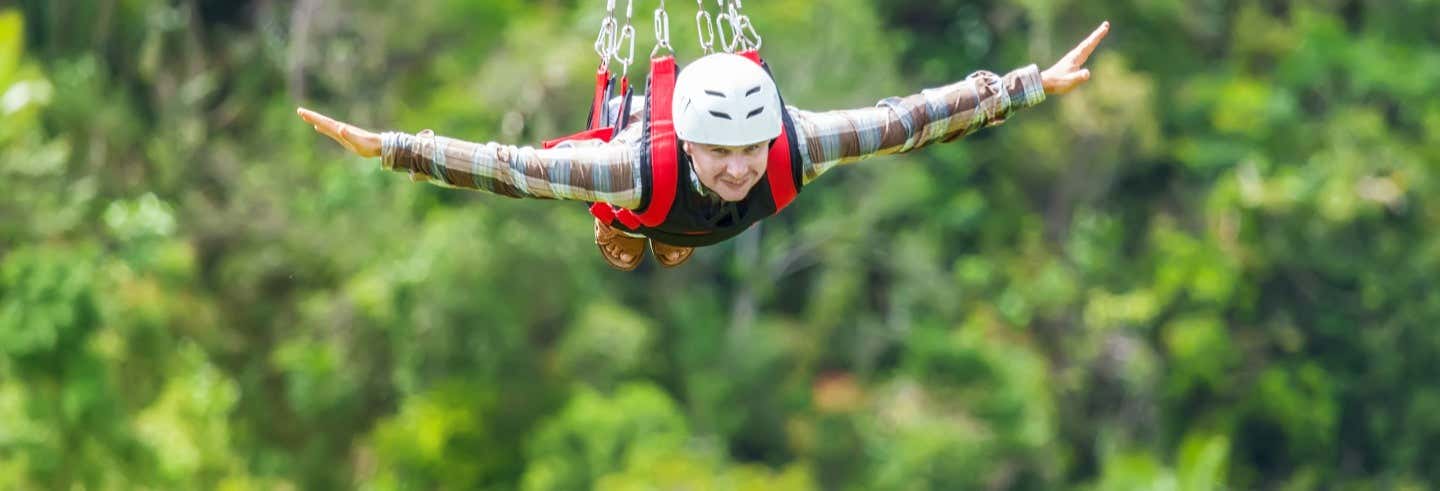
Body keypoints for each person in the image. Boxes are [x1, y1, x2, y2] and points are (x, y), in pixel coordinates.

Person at [299, 22, 1111, 271]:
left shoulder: (796, 145)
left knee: (690, 224)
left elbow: (913, 117)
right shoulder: (627, 164)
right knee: (630, 222)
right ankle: (629, 232)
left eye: (749, 151)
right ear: (687, 144)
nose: (737, 167)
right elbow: (513, 168)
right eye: (720, 155)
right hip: (641, 198)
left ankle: (661, 238)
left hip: (681, 213)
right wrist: (393, 148)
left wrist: (1030, 83)